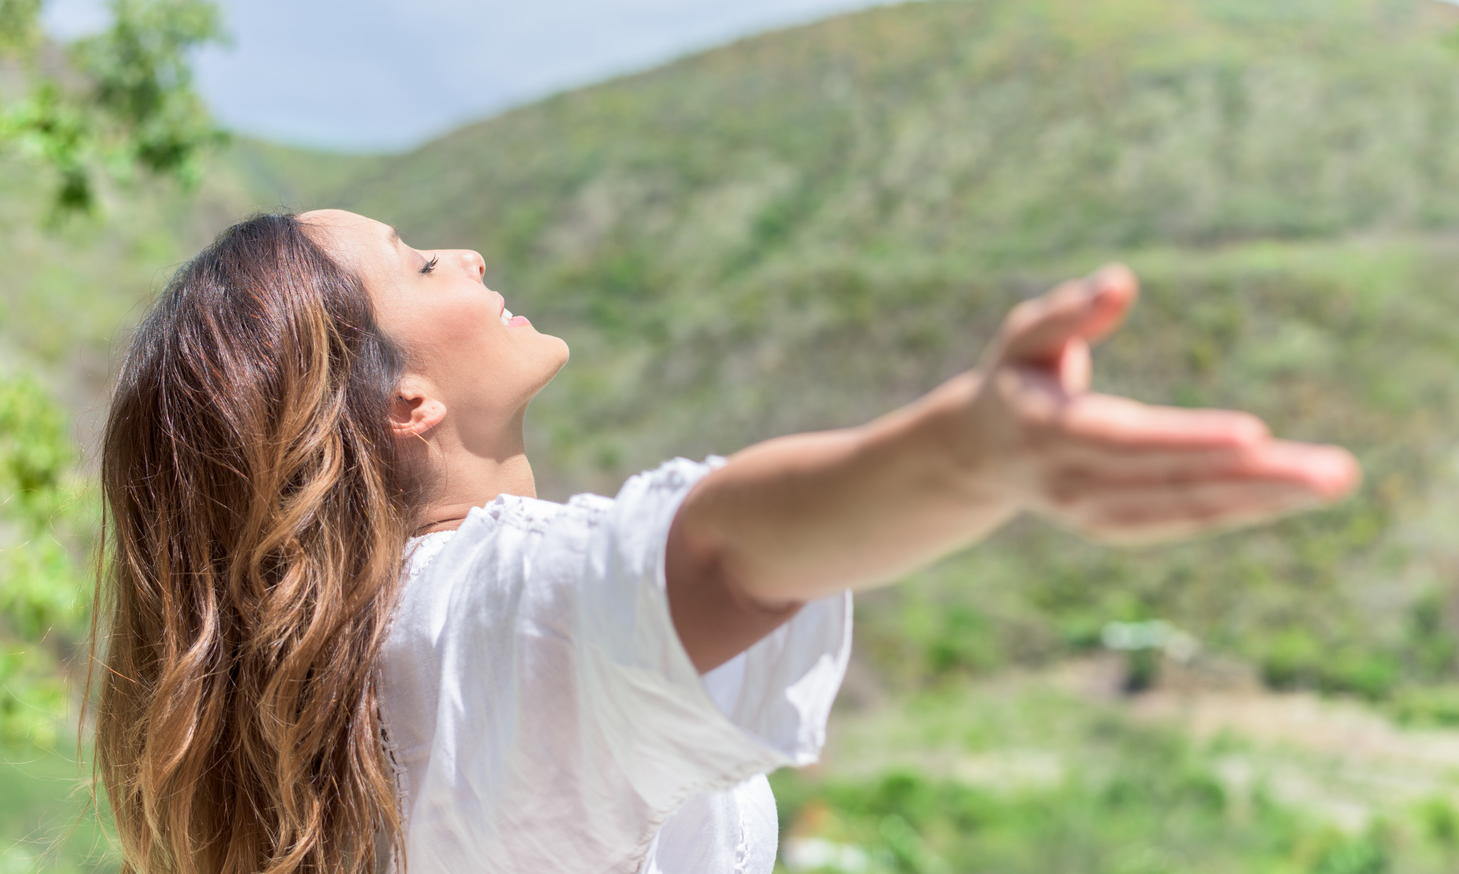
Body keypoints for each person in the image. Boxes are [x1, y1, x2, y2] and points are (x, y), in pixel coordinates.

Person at [93, 209, 1358, 874]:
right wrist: (967, 453)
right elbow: (716, 557)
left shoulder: (365, 663)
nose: (466, 252)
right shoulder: (478, 619)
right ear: (404, 401)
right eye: (421, 264)